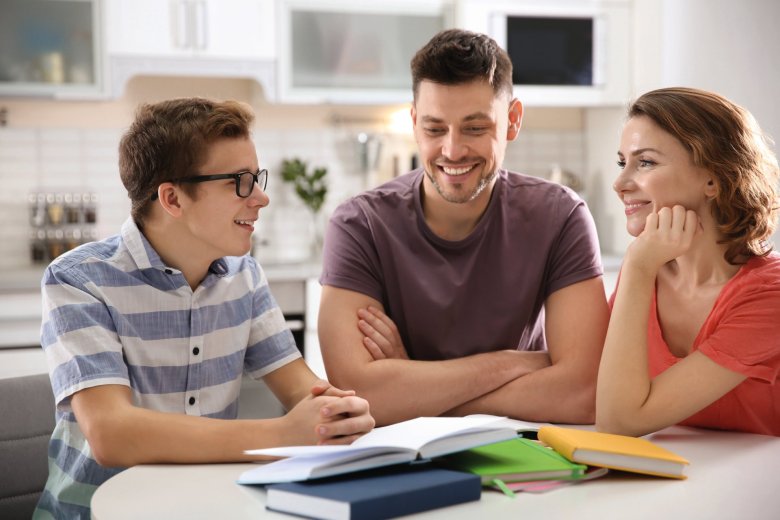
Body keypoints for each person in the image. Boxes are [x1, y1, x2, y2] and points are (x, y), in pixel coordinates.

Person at [34, 98, 374, 519]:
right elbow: (111, 434)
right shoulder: (78, 280)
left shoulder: (244, 276)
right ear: (173, 199)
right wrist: (283, 433)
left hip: (203, 508)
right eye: (240, 181)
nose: (261, 198)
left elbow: (303, 389)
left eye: (256, 178)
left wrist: (339, 412)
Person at [318, 29, 609, 426]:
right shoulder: (359, 225)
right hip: (402, 459)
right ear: (415, 122)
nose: (453, 151)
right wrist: (511, 364)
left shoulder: (561, 216)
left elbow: (583, 393)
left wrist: (414, 394)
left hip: (527, 451)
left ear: (512, 120)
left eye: (474, 128)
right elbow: (362, 393)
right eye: (435, 129)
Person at [596, 87, 780, 437]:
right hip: (674, 476)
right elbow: (590, 387)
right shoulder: (648, 275)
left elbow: (618, 422)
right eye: (623, 162)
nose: (620, 184)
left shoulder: (770, 296)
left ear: (713, 178)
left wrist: (635, 267)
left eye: (645, 162)